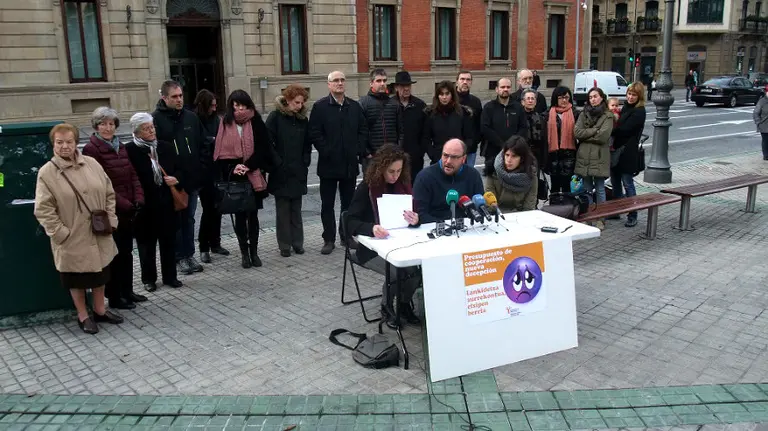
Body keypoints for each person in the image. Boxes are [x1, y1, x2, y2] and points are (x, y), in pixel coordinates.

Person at [34, 123, 123, 334]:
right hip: (72, 237)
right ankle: (83, 315)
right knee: (77, 280)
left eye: (69, 142)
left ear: (76, 143)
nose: (65, 146)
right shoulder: (47, 173)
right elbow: (43, 209)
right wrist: (60, 233)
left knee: (100, 274)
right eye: (59, 142)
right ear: (53, 144)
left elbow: (109, 193)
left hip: (99, 232)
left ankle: (100, 310)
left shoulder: (91, 164)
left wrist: (111, 219)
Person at [347, 144, 421, 328]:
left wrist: (416, 219)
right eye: (391, 171)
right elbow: (348, 222)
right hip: (370, 250)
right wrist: (371, 228)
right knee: (397, 272)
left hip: (400, 244)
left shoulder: (403, 185)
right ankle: (386, 307)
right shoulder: (367, 188)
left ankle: (403, 305)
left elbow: (417, 212)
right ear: (380, 168)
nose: (395, 176)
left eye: (399, 171)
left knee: (415, 271)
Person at [82, 107, 146, 310]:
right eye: (103, 124)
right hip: (111, 209)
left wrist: (138, 197)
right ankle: (115, 296)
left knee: (127, 252)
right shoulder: (91, 149)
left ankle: (128, 291)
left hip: (128, 208)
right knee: (113, 255)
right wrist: (125, 203)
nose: (108, 128)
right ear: (96, 126)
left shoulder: (121, 146)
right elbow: (101, 184)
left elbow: (132, 173)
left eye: (111, 124)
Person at [308, 70, 369, 255]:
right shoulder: (320, 107)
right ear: (329, 84)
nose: (340, 83)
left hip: (349, 166)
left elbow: (363, 129)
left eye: (342, 80)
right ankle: (328, 239)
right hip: (328, 165)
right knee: (327, 205)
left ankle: (346, 236)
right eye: (336, 80)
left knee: (348, 204)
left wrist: (357, 149)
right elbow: (315, 133)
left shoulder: (354, 106)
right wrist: (327, 151)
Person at [152, 80, 206, 276]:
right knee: (174, 222)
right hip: (170, 182)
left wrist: (200, 170)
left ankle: (189, 254)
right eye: (174, 97)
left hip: (190, 180)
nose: (179, 100)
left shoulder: (191, 118)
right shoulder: (156, 120)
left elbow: (202, 146)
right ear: (164, 98)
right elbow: (155, 153)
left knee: (189, 219)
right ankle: (178, 257)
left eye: (181, 96)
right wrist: (168, 176)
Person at [126, 113, 183, 291]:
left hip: (166, 202)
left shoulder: (165, 147)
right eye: (146, 128)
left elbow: (180, 169)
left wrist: (176, 179)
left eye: (152, 127)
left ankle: (170, 276)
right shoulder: (129, 151)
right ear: (136, 132)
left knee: (168, 241)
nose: (151, 131)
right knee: (146, 245)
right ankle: (148, 279)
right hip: (145, 205)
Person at [214, 90, 271, 268]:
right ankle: (244, 253)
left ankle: (254, 252)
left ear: (248, 104)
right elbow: (221, 150)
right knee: (239, 216)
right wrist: (234, 167)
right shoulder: (226, 122)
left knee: (252, 216)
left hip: (253, 174)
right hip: (235, 176)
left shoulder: (255, 120)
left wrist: (248, 165)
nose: (239, 108)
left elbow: (264, 147)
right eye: (235, 104)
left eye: (242, 104)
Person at [266, 84, 311, 257]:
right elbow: (268, 142)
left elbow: (307, 143)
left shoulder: (302, 120)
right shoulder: (275, 117)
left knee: (296, 210)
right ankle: (284, 245)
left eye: (301, 103)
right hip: (281, 171)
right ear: (288, 100)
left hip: (298, 170)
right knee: (283, 211)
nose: (299, 106)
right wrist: (277, 162)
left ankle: (298, 243)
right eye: (296, 102)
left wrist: (305, 160)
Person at [194, 89, 229, 263]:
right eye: (212, 105)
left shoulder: (217, 120)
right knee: (208, 210)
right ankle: (203, 247)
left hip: (218, 170)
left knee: (218, 209)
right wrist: (212, 141)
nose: (214, 109)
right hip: (204, 172)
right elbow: (199, 144)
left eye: (216, 105)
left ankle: (216, 242)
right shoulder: (195, 120)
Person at [413, 138, 484, 223]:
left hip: (467, 227)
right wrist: (445, 226)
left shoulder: (473, 175)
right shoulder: (424, 177)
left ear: (463, 158)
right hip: (435, 228)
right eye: (445, 155)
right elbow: (420, 214)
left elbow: (480, 207)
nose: (448, 161)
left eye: (454, 157)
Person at [574, 87, 614, 230]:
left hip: (599, 156)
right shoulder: (583, 114)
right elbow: (577, 132)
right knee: (586, 189)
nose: (593, 99)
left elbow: (603, 136)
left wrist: (587, 135)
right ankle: (588, 216)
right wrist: (594, 131)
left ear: (602, 97)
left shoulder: (608, 115)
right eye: (590, 97)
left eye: (595, 96)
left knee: (600, 188)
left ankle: (601, 218)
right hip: (584, 155)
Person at [611, 82, 647, 227]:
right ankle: (617, 210)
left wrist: (609, 129)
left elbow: (625, 129)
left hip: (628, 152)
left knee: (627, 183)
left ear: (639, 96)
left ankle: (633, 213)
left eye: (634, 95)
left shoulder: (639, 111)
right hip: (617, 150)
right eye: (629, 94)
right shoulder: (625, 107)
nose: (631, 97)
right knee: (615, 183)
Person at [481, 77, 527, 175]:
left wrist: (513, 144)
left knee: (512, 179)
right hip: (493, 151)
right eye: (502, 87)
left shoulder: (518, 107)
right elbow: (485, 128)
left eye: (508, 87)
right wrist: (502, 144)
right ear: (497, 89)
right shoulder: (489, 107)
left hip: (514, 151)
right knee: (493, 180)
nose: (505, 89)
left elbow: (523, 127)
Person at [359, 68, 401, 173]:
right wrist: (366, 153)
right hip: (372, 157)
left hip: (392, 155)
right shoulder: (363, 103)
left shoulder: (394, 103)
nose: (382, 84)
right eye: (378, 81)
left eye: (384, 80)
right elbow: (358, 131)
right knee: (373, 187)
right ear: (371, 83)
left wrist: (398, 149)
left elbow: (401, 130)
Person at [422, 81, 474, 165]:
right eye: (441, 94)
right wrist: (434, 156)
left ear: (452, 95)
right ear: (437, 96)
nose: (444, 97)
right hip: (438, 159)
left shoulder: (462, 113)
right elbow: (426, 139)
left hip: (458, 159)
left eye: (447, 94)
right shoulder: (431, 114)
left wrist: (461, 154)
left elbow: (469, 138)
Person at [484, 136, 538, 212]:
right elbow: (489, 203)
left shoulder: (530, 174)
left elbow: (529, 206)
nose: (509, 160)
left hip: (520, 217)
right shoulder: (493, 170)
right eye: (507, 155)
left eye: (514, 156)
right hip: (497, 216)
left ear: (522, 158)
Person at [393, 71, 428, 182]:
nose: (406, 88)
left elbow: (425, 131)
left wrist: (421, 150)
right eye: (403, 86)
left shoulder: (420, 105)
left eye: (408, 85)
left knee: (415, 185)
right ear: (396, 88)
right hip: (395, 156)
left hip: (415, 157)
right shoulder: (390, 105)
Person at [546, 86, 578, 194]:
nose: (564, 100)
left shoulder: (575, 113)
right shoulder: (548, 114)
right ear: (555, 98)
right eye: (561, 98)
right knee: (554, 188)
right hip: (553, 156)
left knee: (567, 188)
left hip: (569, 155)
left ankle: (568, 209)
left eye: (566, 97)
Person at [456, 71, 483, 167]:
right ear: (457, 82)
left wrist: (475, 140)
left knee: (468, 177)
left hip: (471, 149)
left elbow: (480, 123)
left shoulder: (475, 101)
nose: (465, 82)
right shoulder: (450, 100)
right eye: (462, 79)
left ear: (471, 82)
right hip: (453, 148)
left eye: (468, 79)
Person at [521, 89, 549, 171]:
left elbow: (544, 140)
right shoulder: (518, 118)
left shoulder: (540, 118)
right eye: (528, 98)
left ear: (536, 102)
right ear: (523, 102)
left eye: (532, 99)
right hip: (522, 154)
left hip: (536, 156)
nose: (530, 101)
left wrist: (544, 160)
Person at [753, 85, 768, 161]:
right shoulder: (762, 101)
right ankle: (766, 155)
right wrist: (758, 123)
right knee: (766, 140)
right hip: (764, 125)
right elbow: (756, 113)